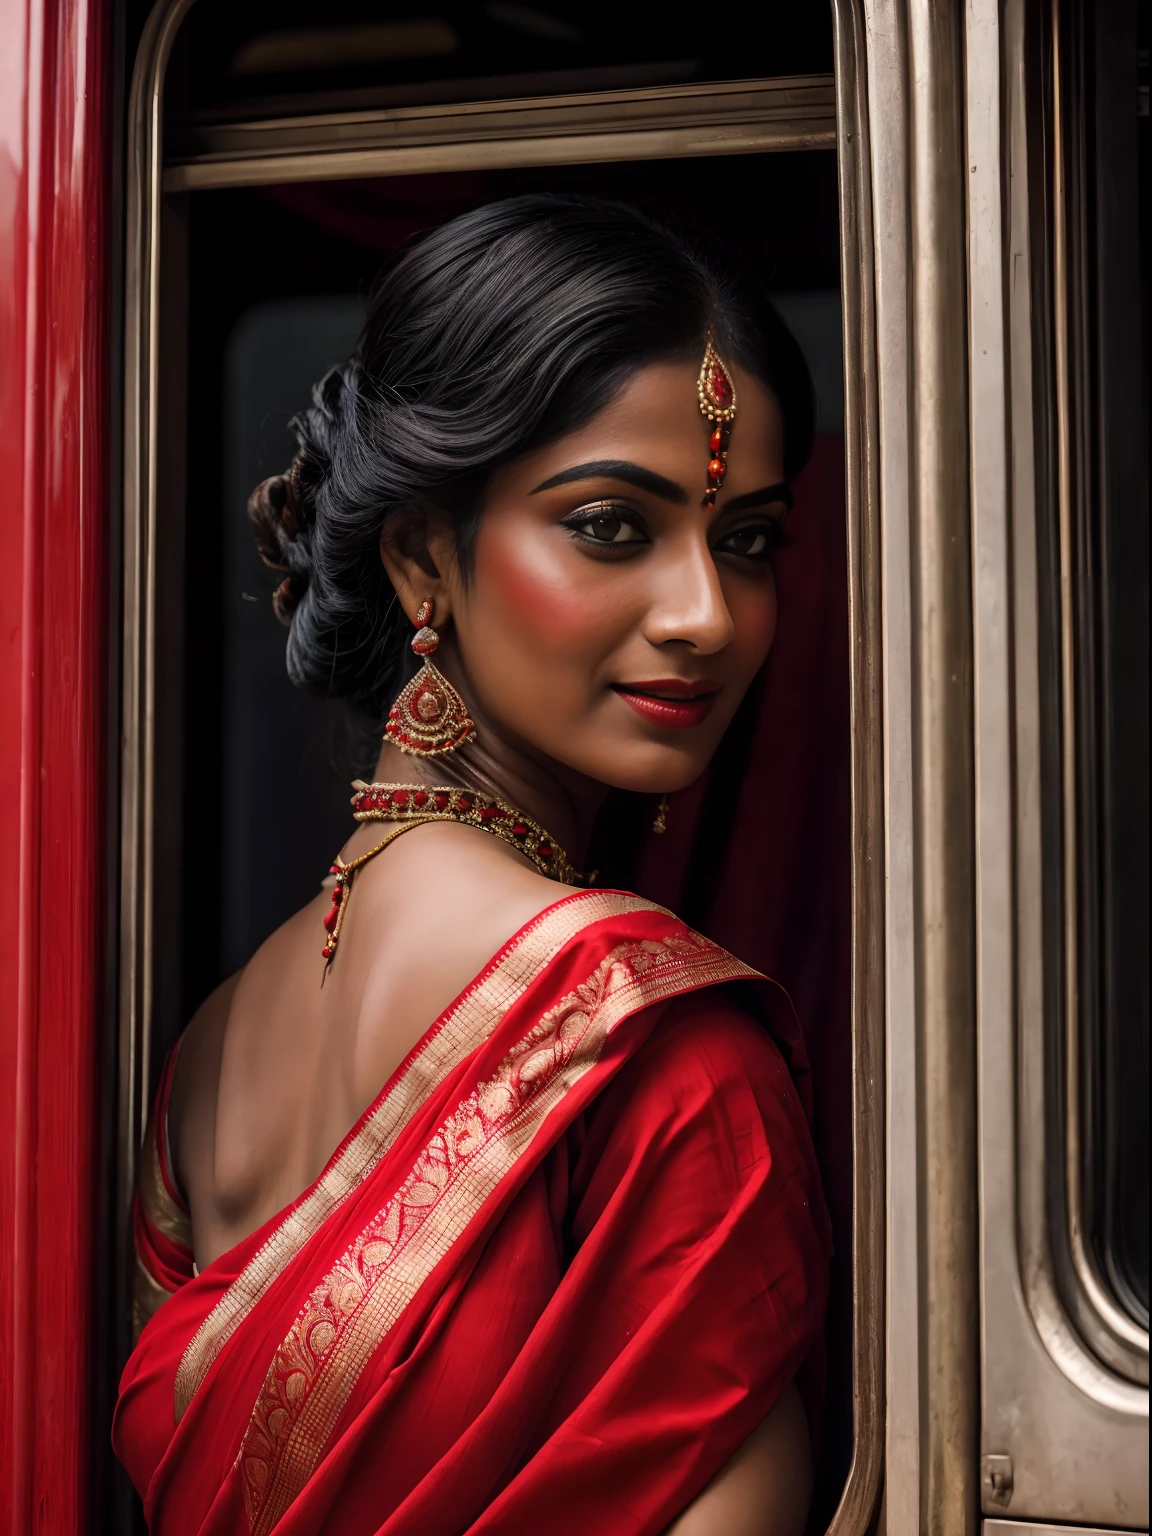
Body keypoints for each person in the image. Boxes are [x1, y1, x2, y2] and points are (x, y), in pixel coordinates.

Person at [114, 195, 832, 1536]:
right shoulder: (664, 1057)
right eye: (616, 525)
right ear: (422, 555)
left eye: (747, 541)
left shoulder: (212, 1051)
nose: (706, 615)